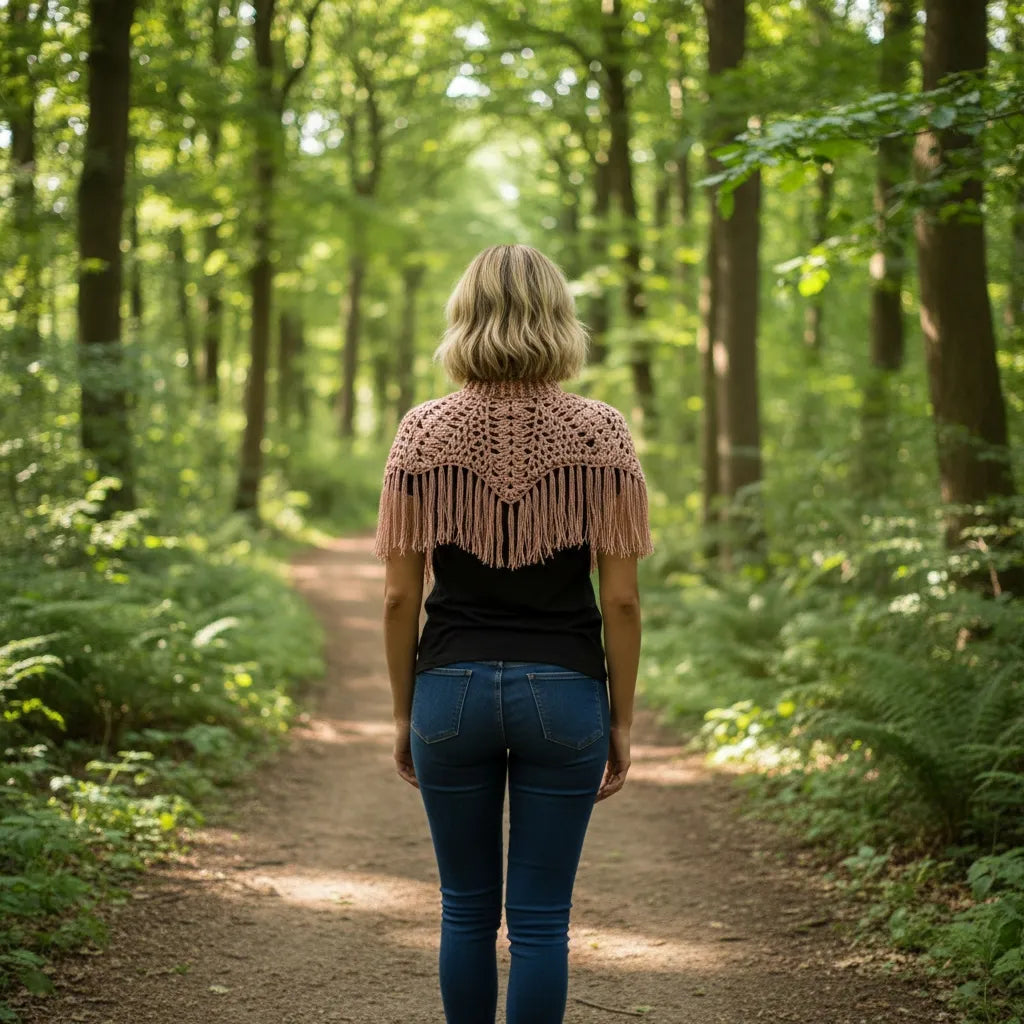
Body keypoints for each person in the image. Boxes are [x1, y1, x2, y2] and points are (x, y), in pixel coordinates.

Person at [374, 243, 653, 1024]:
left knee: (464, 910)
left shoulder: (423, 431)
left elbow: (400, 596)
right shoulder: (601, 432)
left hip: (450, 694)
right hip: (564, 696)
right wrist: (620, 720)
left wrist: (404, 713)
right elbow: (623, 602)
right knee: (539, 923)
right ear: (558, 318)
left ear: (465, 316)